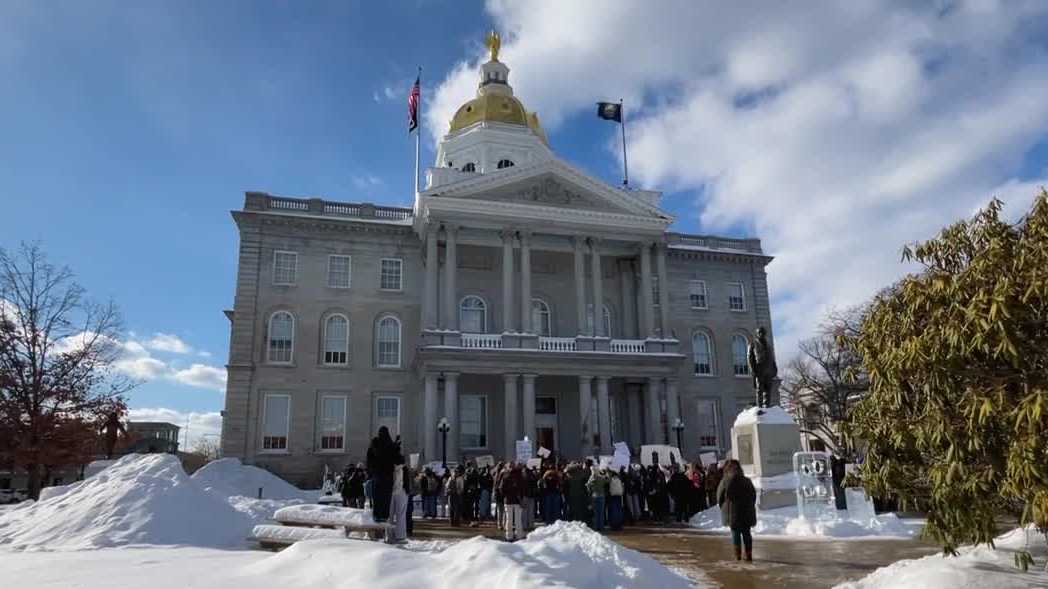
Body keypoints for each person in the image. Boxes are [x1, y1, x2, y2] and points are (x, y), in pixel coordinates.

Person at [717, 459, 757, 562]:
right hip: (746, 511)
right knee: (747, 533)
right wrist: (749, 505)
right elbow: (753, 495)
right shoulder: (747, 480)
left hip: (732, 512)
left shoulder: (725, 481)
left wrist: (724, 507)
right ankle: (748, 554)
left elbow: (719, 497)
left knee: (735, 534)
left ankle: (737, 555)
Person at [365, 427, 403, 523]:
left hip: (377, 475)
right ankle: (384, 516)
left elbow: (369, 459)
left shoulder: (375, 444)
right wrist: (396, 446)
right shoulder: (390, 445)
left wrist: (370, 472)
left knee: (377, 497)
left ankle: (377, 516)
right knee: (386, 497)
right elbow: (398, 459)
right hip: (387, 475)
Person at [500, 462, 526, 541]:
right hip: (518, 500)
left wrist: (506, 494)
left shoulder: (505, 476)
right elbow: (523, 489)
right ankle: (519, 535)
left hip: (508, 500)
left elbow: (501, 489)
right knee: (518, 519)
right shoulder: (520, 477)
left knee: (509, 519)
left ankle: (509, 536)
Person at [387, 464, 409, 543]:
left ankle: (389, 536)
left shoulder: (387, 466)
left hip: (389, 491)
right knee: (401, 515)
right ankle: (400, 536)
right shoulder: (404, 467)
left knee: (389, 516)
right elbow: (407, 480)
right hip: (401, 491)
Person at [587, 466, 610, 532]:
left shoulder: (591, 478)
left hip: (594, 496)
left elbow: (588, 486)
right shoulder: (600, 477)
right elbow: (608, 480)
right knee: (601, 512)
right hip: (602, 496)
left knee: (596, 512)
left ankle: (596, 527)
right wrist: (607, 473)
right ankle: (601, 527)